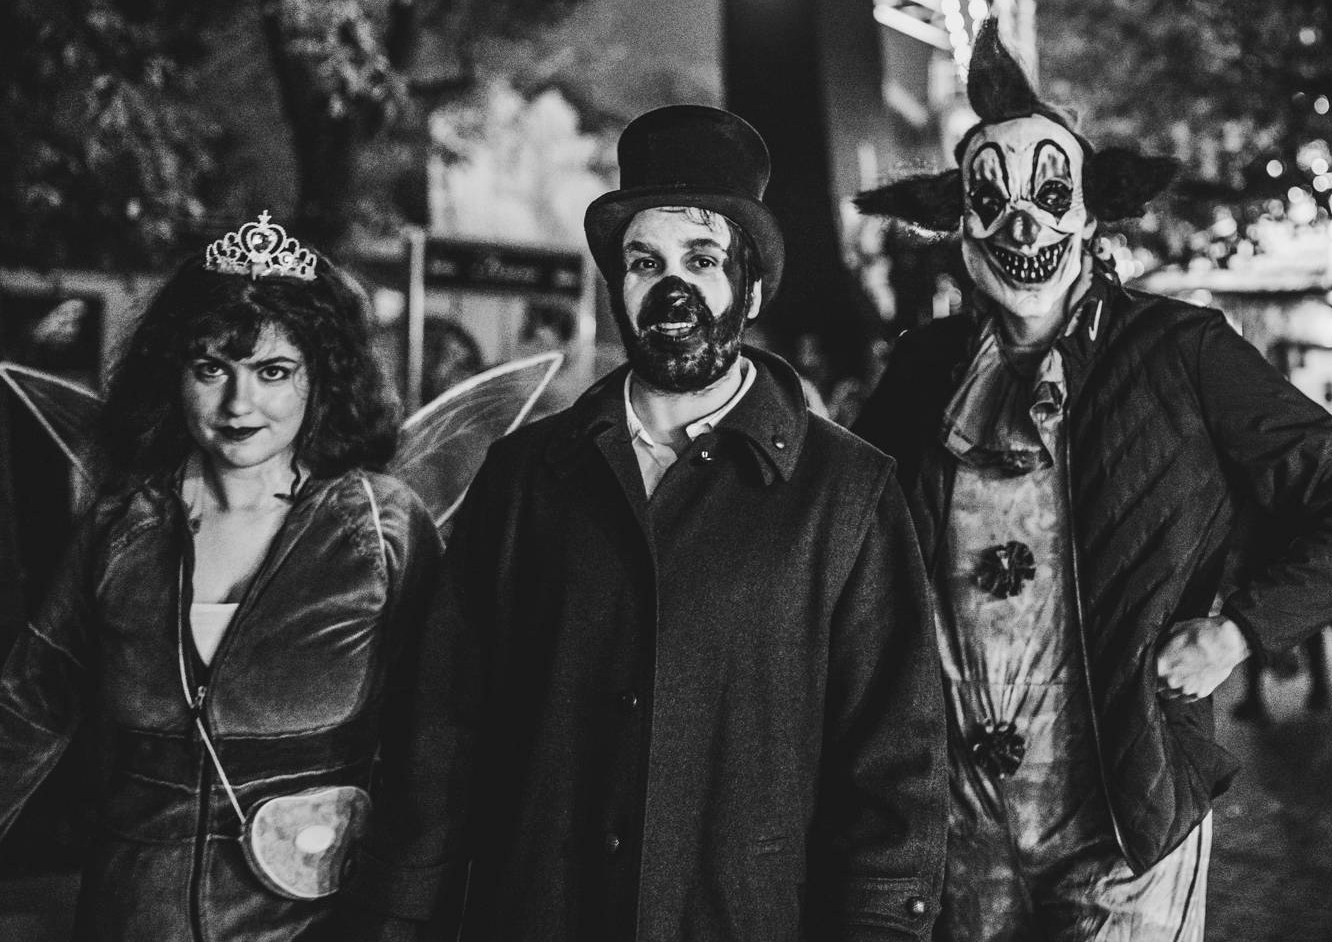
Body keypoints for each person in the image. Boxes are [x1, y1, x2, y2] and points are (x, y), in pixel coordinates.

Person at [853, 21, 1332, 942]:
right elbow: (848, 540)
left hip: (1122, 820)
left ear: (1091, 211)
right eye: (990, 201)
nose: (1022, 226)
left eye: (1050, 195)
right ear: (957, 219)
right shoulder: (924, 372)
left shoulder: (1178, 350)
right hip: (958, 826)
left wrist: (1238, 630)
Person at [343, 105, 948, 940]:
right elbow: (439, 737)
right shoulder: (525, 478)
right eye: (643, 261)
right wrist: (398, 918)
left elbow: (894, 771)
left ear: (752, 288)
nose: (671, 286)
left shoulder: (846, 494)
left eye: (701, 258)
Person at [0, 213, 444, 940]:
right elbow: (27, 708)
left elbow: (438, 736)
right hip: (135, 915)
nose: (239, 403)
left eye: (273, 371)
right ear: (172, 374)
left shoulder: (377, 527)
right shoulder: (123, 528)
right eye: (211, 369)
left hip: (315, 918)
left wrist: (405, 914)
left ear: (321, 378)